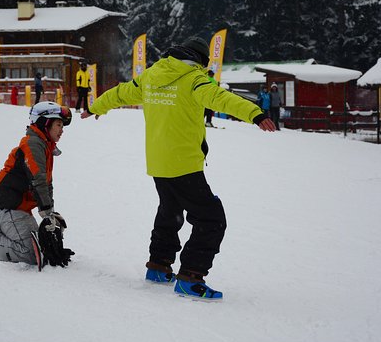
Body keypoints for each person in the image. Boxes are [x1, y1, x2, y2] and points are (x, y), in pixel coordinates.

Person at [81, 36, 275, 300]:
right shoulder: (195, 79)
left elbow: (120, 93)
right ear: (200, 61)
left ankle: (159, 267)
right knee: (211, 218)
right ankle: (191, 277)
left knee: (170, 211)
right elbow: (222, 99)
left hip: (159, 163)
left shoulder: (150, 76)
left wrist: (95, 106)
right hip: (184, 163)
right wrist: (256, 113)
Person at [0, 101, 73, 265]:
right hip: (6, 207)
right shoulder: (33, 145)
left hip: (16, 209)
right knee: (30, 253)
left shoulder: (45, 147)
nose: (62, 130)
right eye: (58, 124)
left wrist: (51, 214)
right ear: (45, 123)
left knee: (41, 247)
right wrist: (47, 213)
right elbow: (38, 180)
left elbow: (47, 185)